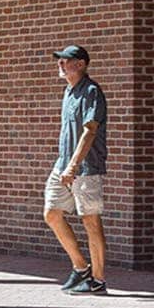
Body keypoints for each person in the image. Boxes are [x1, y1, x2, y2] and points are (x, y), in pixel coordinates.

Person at [43, 44, 108, 294]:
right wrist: (65, 164)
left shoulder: (91, 91)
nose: (60, 65)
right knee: (51, 213)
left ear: (80, 64)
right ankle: (81, 268)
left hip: (85, 168)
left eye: (65, 61)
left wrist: (74, 165)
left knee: (90, 221)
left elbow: (89, 131)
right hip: (63, 165)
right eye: (58, 61)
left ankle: (98, 281)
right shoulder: (69, 91)